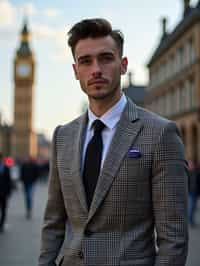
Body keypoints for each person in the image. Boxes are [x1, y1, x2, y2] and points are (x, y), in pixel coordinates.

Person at [39, 18, 188, 266]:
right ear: (76, 71)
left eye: (106, 58)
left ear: (123, 65)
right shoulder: (62, 136)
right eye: (85, 61)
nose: (96, 69)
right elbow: (53, 223)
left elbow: (173, 238)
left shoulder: (161, 134)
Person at [0, 153, 12, 232]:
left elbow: (9, 181)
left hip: (4, 193)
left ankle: (1, 224)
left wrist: (9, 192)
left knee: (4, 209)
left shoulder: (6, 168)